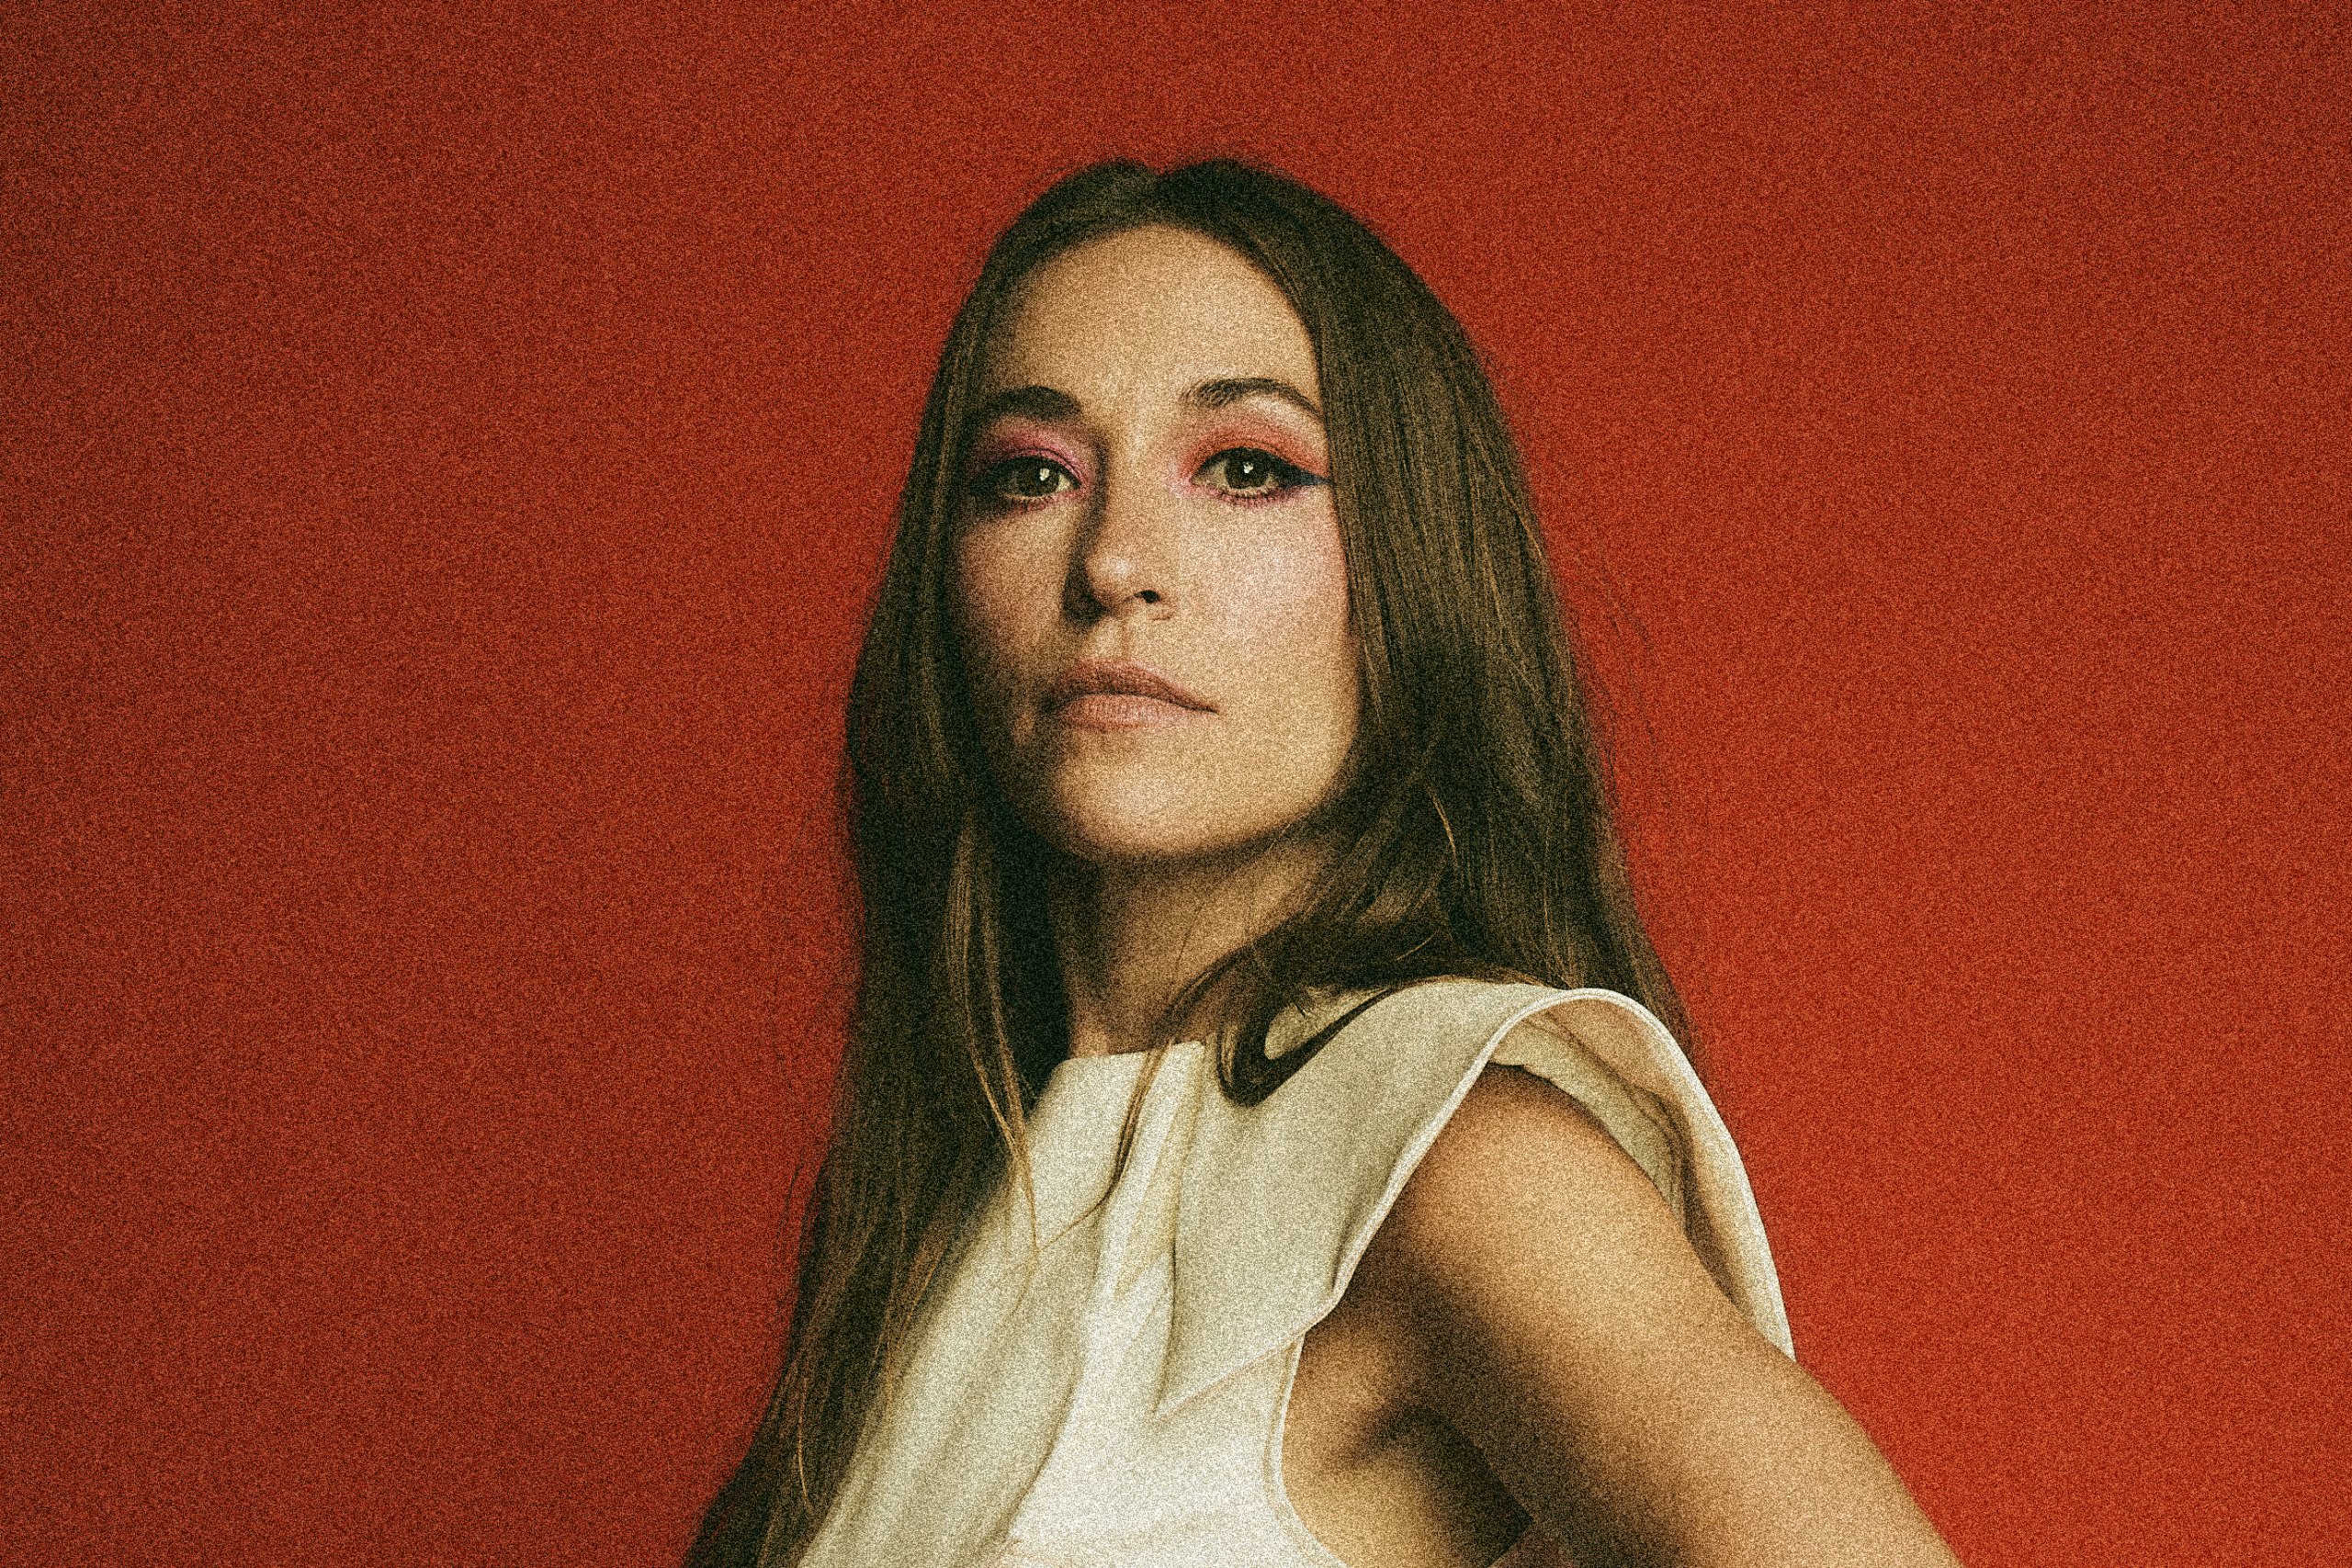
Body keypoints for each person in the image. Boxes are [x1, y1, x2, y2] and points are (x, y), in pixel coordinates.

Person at [684, 158, 1963, 1568]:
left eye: (1249, 469)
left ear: (1414, 568)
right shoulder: (950, 1209)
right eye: (1031, 475)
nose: (1114, 562)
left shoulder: (1450, 1154)